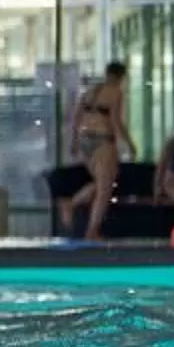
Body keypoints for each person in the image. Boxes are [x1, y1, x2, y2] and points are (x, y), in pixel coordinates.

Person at [70, 60, 135, 239]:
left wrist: (74, 142)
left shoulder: (89, 91)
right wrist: (129, 144)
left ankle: (74, 204)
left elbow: (75, 118)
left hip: (85, 141)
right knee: (105, 188)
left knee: (101, 183)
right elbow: (115, 121)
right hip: (103, 140)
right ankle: (92, 229)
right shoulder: (115, 92)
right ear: (120, 77)